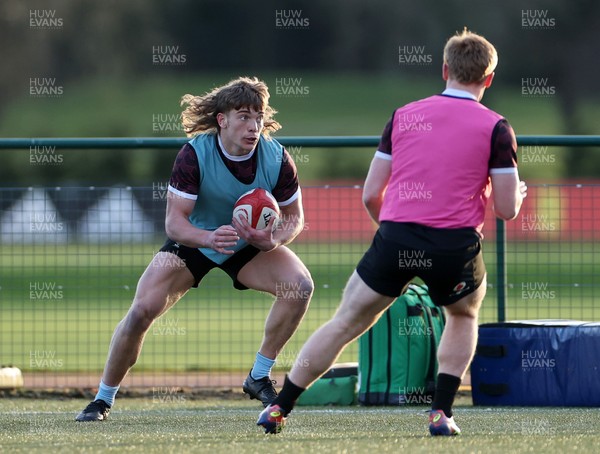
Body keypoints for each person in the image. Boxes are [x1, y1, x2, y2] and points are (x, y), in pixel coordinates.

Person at [257, 29, 527, 436]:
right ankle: (440, 413)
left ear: (445, 70)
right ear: (488, 78)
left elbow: (370, 195)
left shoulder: (405, 116)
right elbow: (506, 209)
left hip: (397, 237)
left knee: (346, 321)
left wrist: (397, 233)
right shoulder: (497, 128)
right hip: (455, 244)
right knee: (462, 314)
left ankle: (279, 407)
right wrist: (519, 195)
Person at [76, 76, 313, 421]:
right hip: (194, 239)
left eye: (258, 117)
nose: (254, 126)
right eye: (244, 116)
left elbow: (294, 218)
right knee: (142, 309)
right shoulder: (195, 154)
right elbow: (175, 224)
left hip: (247, 243)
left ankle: (258, 375)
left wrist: (273, 239)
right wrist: (207, 238)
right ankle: (102, 400)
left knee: (300, 287)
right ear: (223, 120)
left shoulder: (276, 157)